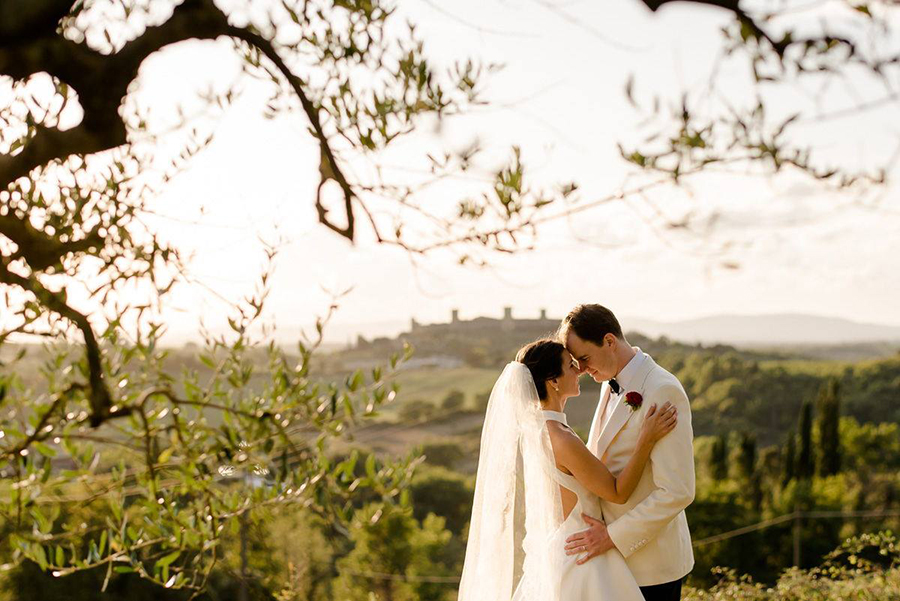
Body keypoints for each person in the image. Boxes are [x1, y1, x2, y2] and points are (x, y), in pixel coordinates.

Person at [458, 337, 677, 601]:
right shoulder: (561, 438)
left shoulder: (539, 429)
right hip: (584, 558)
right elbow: (618, 493)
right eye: (571, 365)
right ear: (554, 381)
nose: (579, 370)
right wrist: (646, 440)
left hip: (560, 550)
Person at [561, 304, 695, 601]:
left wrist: (612, 537)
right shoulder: (609, 385)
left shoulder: (662, 390)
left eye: (584, 358)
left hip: (651, 564)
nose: (581, 370)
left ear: (609, 341)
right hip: (610, 562)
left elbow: (678, 491)